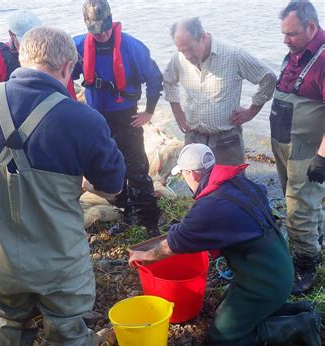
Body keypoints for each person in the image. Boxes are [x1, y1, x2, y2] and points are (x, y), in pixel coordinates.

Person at [0, 26, 125, 346]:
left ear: (21, 58)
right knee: (69, 333)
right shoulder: (84, 120)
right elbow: (112, 186)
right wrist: (79, 182)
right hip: (59, 262)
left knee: (10, 322)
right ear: (69, 67)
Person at [128, 144, 321, 346]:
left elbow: (172, 246)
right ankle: (301, 308)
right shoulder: (238, 183)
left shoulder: (209, 207)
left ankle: (300, 325)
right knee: (227, 312)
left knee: (219, 343)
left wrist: (145, 256)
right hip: (279, 265)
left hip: (264, 282)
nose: (184, 179)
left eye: (182, 174)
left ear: (191, 173)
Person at [72, 0, 163, 237]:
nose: (102, 34)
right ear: (86, 24)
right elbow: (63, 74)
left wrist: (149, 111)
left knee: (137, 167)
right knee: (106, 167)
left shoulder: (133, 47)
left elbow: (155, 78)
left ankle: (150, 220)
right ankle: (126, 211)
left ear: (112, 20)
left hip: (126, 116)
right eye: (96, 29)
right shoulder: (78, 45)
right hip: (96, 118)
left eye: (105, 28)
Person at [164, 17, 276, 166]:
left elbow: (268, 78)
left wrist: (251, 112)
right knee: (199, 187)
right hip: (194, 138)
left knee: (233, 185)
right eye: (181, 50)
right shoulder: (179, 58)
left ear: (203, 37)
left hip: (226, 140)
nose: (187, 56)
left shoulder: (233, 54)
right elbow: (168, 81)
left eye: (190, 48)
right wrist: (179, 115)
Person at [270, 1, 324, 295]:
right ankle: (316, 239)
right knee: (304, 202)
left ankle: (306, 266)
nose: (285, 40)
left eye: (291, 33)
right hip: (285, 145)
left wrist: (322, 157)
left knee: (298, 207)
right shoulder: (295, 53)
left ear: (311, 27)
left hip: (308, 152)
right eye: (283, 33)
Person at [0, 10, 41, 85]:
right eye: (25, 42)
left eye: (36, 40)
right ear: (11, 35)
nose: (31, 47)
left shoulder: (49, 53)